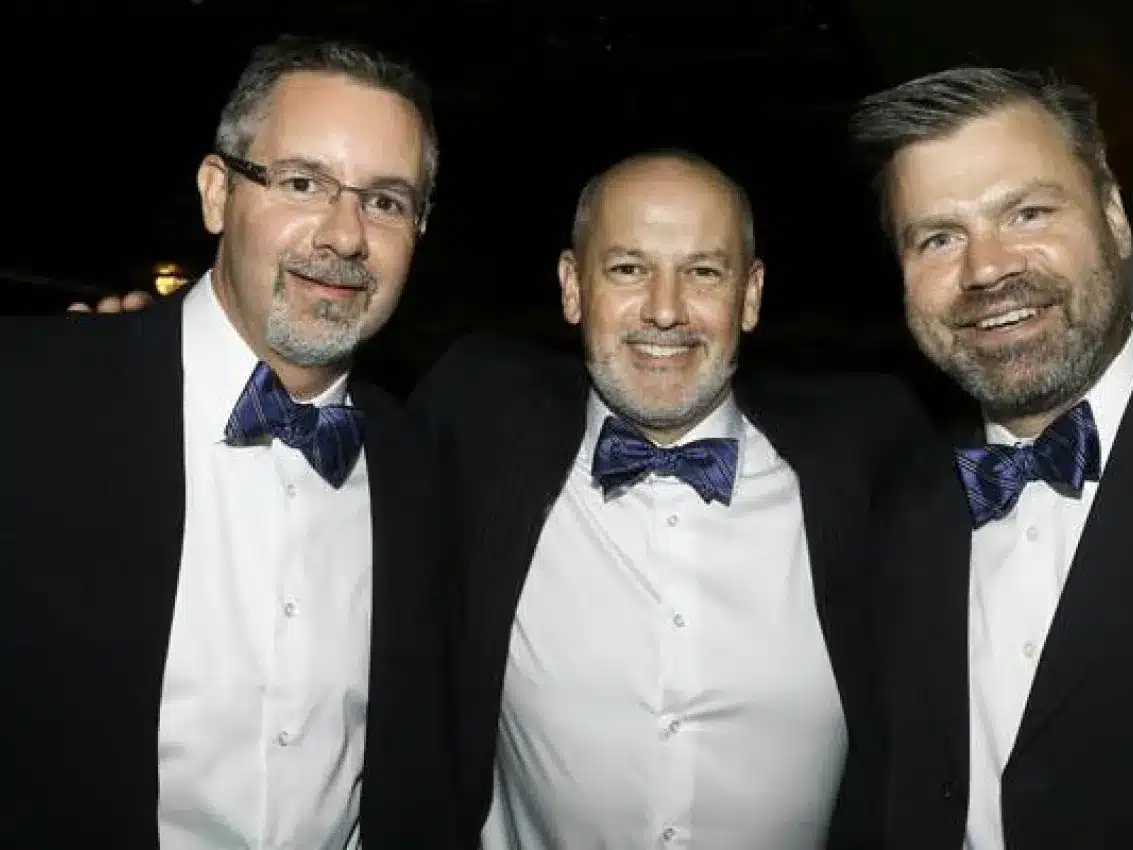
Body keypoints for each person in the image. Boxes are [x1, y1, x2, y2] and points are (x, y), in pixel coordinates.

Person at [0, 35, 462, 848]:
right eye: (302, 183)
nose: (344, 236)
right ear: (218, 194)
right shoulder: (33, 396)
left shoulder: (424, 469)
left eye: (386, 202)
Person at [408, 149, 929, 848]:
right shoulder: (479, 426)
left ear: (750, 295)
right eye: (628, 269)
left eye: (703, 272)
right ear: (572, 286)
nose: (664, 310)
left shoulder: (871, 460)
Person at [850, 67, 1133, 848]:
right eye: (939, 238)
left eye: (1026, 213)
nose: (987, 268)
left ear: (1114, 216)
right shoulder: (893, 505)